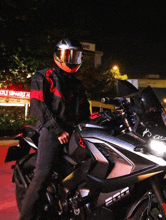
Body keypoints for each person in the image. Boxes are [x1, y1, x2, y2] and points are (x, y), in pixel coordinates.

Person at [19, 38, 91, 220]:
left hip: (73, 131)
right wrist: (58, 129)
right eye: (68, 55)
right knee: (42, 174)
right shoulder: (44, 76)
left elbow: (85, 111)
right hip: (50, 131)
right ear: (58, 56)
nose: (72, 59)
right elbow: (38, 106)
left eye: (76, 55)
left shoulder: (77, 84)